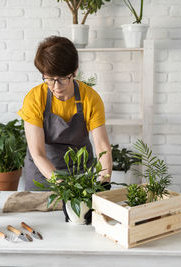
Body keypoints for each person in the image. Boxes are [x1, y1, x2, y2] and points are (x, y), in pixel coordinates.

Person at [18, 35, 112, 191]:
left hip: (81, 174)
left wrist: (104, 183)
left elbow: (102, 147)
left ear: (74, 71)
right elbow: (38, 153)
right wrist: (65, 186)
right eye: (49, 79)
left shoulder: (90, 98)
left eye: (62, 78)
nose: (56, 87)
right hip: (42, 175)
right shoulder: (34, 99)